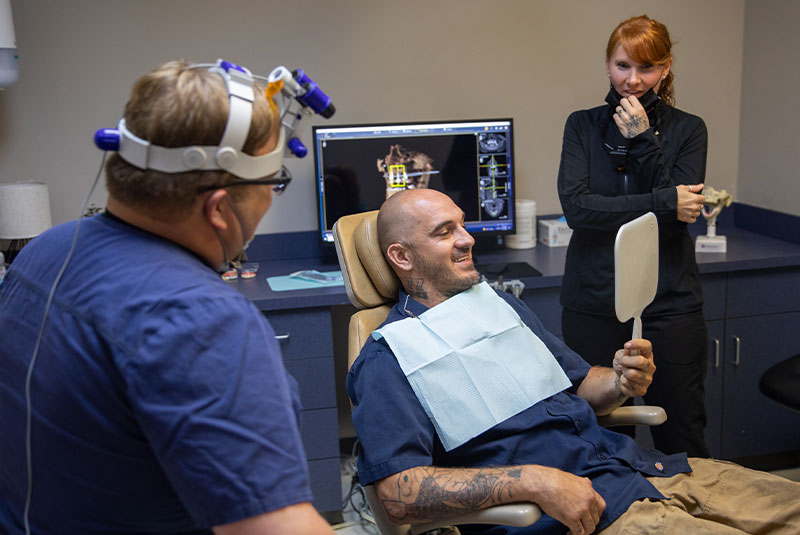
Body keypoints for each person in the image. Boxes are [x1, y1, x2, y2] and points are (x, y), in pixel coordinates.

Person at [0, 60, 334, 535]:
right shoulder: (203, 321)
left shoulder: (46, 250)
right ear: (219, 208)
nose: (270, 198)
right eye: (273, 182)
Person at [347, 188, 800, 535]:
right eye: (444, 232)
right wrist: (534, 482)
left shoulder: (499, 307)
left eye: (462, 225)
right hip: (582, 516)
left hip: (641, 471)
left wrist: (621, 380)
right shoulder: (390, 358)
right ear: (402, 257)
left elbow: (583, 385)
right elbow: (396, 495)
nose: (467, 239)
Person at [557, 14, 710, 457]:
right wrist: (665, 201)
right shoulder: (582, 127)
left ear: (665, 69)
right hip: (593, 304)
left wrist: (643, 138)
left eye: (647, 68)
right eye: (624, 66)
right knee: (601, 438)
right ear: (608, 65)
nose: (634, 80)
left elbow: (678, 221)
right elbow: (578, 209)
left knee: (681, 434)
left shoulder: (688, 130)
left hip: (670, 305)